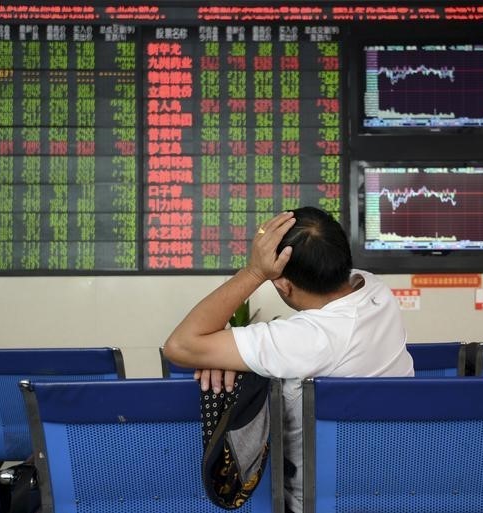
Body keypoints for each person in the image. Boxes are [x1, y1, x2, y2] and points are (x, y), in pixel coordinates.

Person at [163, 206, 414, 513]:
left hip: (312, 505)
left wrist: (254, 271)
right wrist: (225, 355)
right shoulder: (375, 291)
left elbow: (180, 345)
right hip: (394, 491)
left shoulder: (308, 340)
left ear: (283, 284)